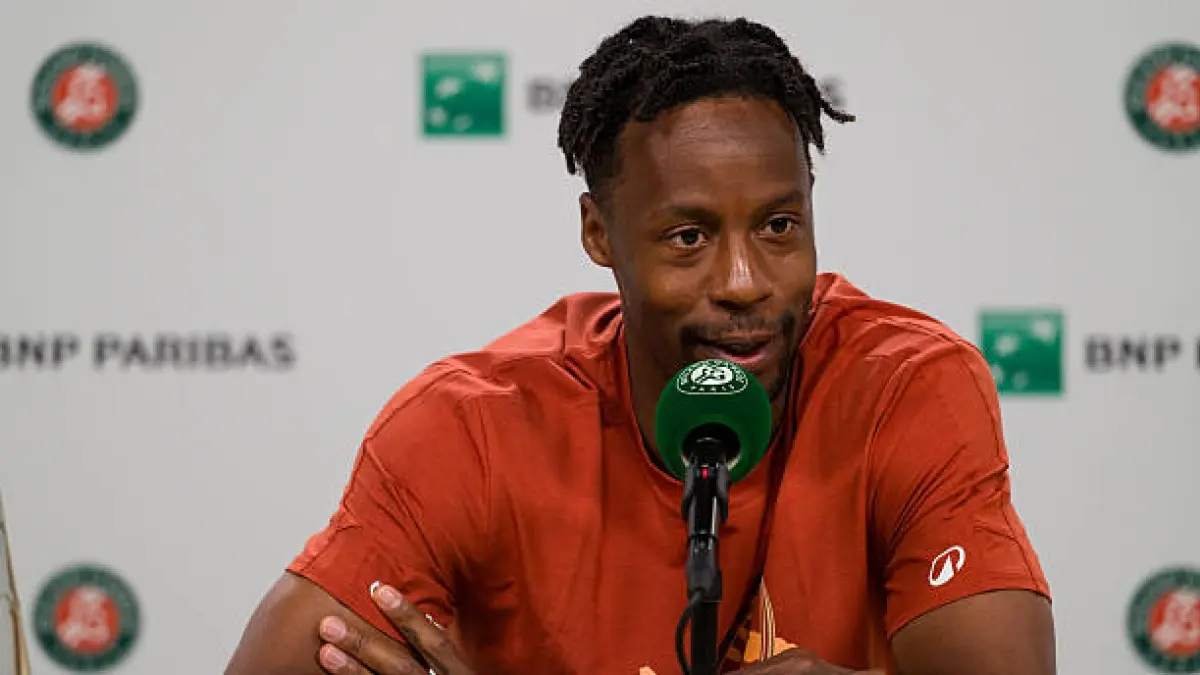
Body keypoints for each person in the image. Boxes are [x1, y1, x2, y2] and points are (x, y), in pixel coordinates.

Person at [224, 14, 1055, 675]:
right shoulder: (471, 428)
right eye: (689, 237)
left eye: (779, 225)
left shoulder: (905, 385)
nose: (745, 282)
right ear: (599, 232)